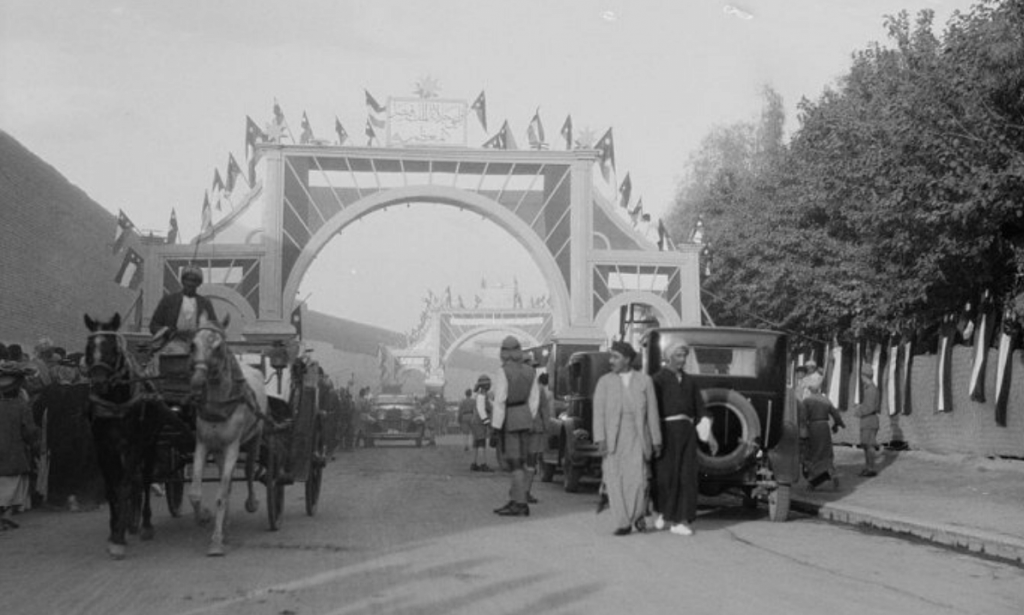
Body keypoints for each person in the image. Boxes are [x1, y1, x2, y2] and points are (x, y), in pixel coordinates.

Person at [593, 340, 662, 535]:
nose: (611, 361)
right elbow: (598, 413)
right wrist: (600, 438)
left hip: (637, 437)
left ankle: (636, 515)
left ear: (628, 359)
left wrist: (656, 440)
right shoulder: (604, 382)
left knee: (637, 481)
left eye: (616, 357)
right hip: (612, 438)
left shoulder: (644, 381)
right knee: (614, 480)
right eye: (611, 356)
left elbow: (652, 413)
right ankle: (623, 522)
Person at [651, 340, 713, 537]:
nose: (682, 359)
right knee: (665, 476)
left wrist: (708, 434)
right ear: (669, 357)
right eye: (678, 355)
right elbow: (651, 410)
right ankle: (662, 511)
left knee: (686, 476)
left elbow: (700, 409)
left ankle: (680, 520)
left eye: (684, 355)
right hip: (666, 432)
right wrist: (654, 437)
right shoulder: (657, 380)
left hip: (686, 434)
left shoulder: (690, 382)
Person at [490, 336, 540, 517]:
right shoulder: (530, 371)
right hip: (525, 417)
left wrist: (496, 427)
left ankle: (519, 504)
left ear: (503, 352)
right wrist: (527, 416)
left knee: (514, 463)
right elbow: (534, 399)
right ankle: (516, 498)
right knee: (523, 461)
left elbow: (500, 400)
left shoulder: (503, 371)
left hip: (510, 417)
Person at [0, 362, 41, 530]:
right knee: (11, 485)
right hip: (13, 454)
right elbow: (29, 431)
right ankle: (5, 515)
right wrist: (35, 444)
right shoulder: (21, 406)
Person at [798, 373, 845, 490]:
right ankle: (831, 474)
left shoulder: (807, 401)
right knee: (826, 453)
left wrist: (802, 433)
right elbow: (836, 414)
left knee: (812, 454)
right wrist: (837, 424)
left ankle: (813, 482)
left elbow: (802, 419)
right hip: (824, 427)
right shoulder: (825, 400)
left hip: (813, 428)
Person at [149, 265, 217, 339]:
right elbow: (154, 326)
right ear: (182, 281)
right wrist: (167, 332)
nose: (190, 284)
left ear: (199, 283)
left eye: (194, 281)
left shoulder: (205, 303)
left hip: (196, 342)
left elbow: (213, 328)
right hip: (171, 341)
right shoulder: (168, 300)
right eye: (187, 280)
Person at [851, 365, 880, 477]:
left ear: (865, 376)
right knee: (865, 445)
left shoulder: (871, 390)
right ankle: (868, 467)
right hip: (867, 420)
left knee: (869, 446)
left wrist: (859, 411)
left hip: (870, 420)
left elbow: (870, 407)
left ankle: (871, 468)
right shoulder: (868, 388)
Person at [470, 376, 495, 472]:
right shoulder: (481, 396)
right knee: (481, 442)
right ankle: (483, 464)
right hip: (479, 422)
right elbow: (481, 410)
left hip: (476, 421)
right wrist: (487, 422)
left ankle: (474, 463)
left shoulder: (481, 395)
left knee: (476, 442)